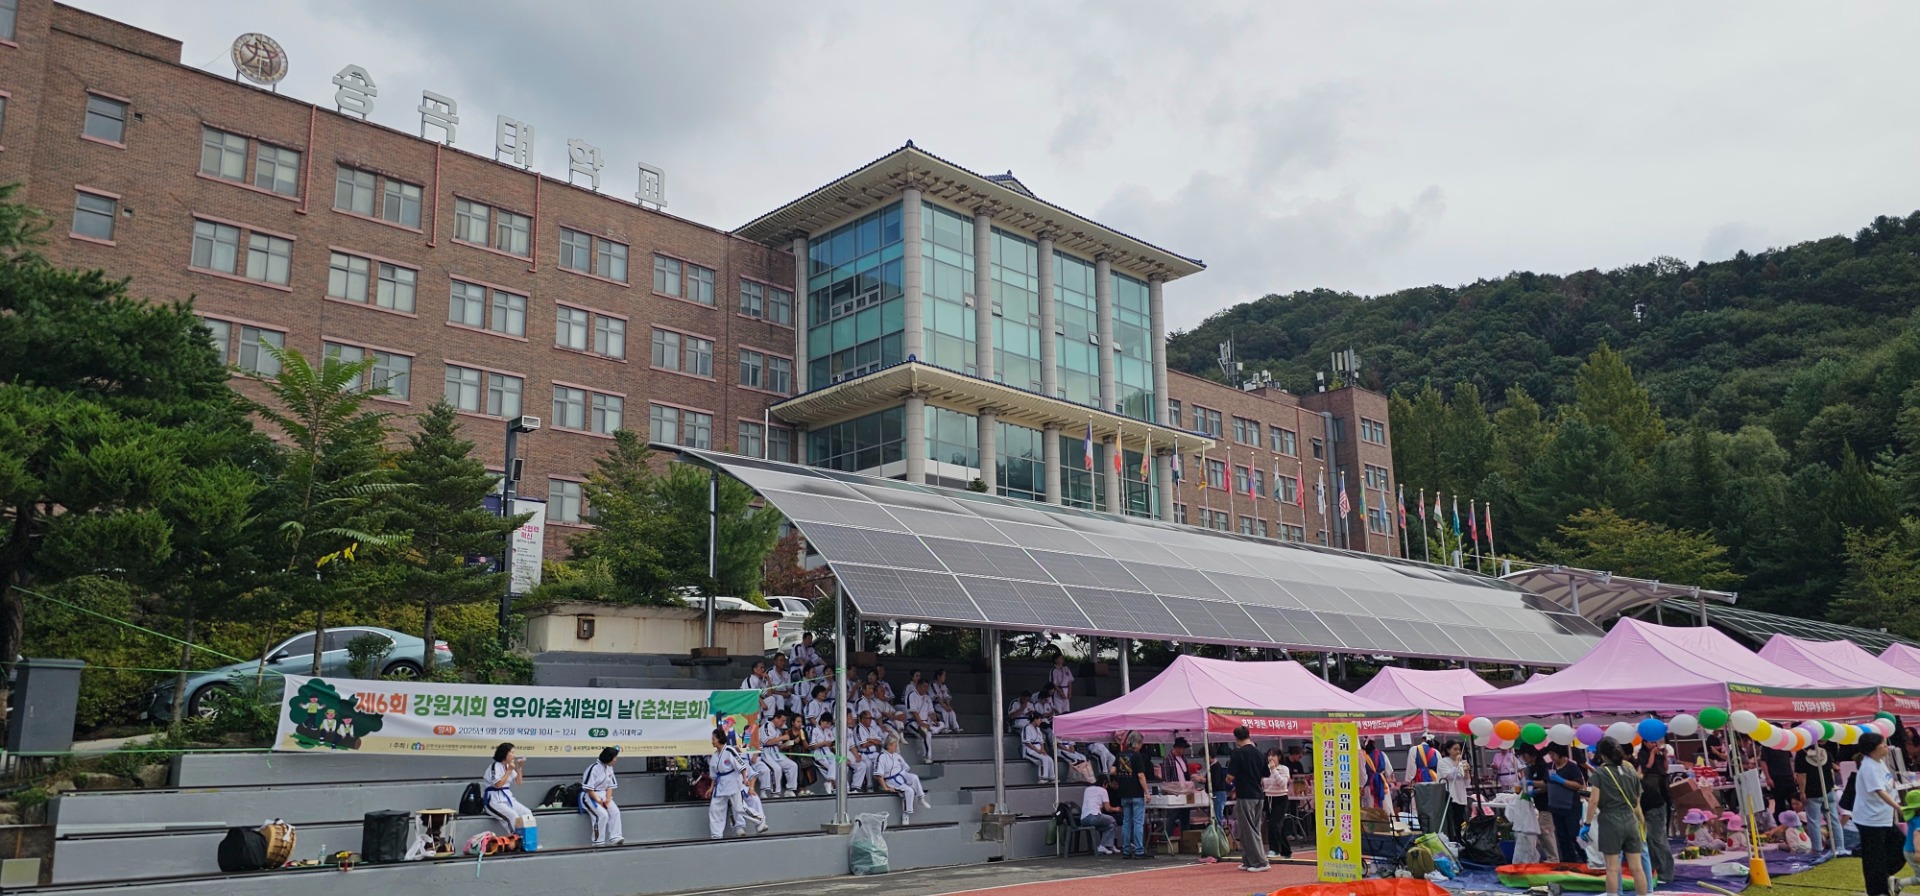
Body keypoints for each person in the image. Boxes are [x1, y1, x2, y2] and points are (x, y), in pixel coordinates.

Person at [1587, 737, 1647, 896]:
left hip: (1610, 821)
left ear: (1603, 755)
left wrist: (1587, 823)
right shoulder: (1631, 771)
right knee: (1637, 868)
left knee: (1612, 869)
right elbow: (1637, 801)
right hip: (1631, 820)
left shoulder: (1600, 772)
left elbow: (1593, 801)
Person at [1854, 732, 1903, 896]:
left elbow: (1888, 785)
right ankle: (1877, 890)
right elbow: (1880, 791)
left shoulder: (1879, 762)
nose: (1885, 746)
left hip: (1883, 817)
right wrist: (1898, 808)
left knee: (1900, 846)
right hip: (1870, 819)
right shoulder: (1869, 767)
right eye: (1882, 744)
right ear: (1873, 748)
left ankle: (1881, 878)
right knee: (1874, 856)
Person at [1226, 726, 1270, 872]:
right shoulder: (1259, 753)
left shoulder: (1237, 753)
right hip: (1258, 794)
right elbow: (1266, 773)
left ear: (1236, 738)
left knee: (1248, 830)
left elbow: (1230, 777)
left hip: (1245, 795)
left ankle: (1260, 862)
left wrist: (1229, 780)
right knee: (1252, 829)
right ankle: (1248, 861)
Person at [708, 727, 765, 839]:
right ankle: (716, 835)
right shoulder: (714, 756)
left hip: (733, 782)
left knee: (739, 808)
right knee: (714, 809)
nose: (712, 741)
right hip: (720, 786)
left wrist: (745, 779)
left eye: (713, 739)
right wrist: (711, 788)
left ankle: (759, 819)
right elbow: (714, 775)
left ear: (719, 739)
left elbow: (742, 766)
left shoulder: (730, 750)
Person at [481, 743, 538, 843]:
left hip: (507, 798)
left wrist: (519, 768)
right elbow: (498, 785)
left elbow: (518, 782)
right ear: (504, 754)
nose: (514, 755)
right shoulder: (495, 766)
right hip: (494, 800)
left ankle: (529, 841)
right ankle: (516, 842)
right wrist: (509, 770)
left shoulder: (508, 766)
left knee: (527, 813)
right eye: (511, 752)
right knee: (512, 816)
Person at [1637, 738, 1673, 883]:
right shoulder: (1642, 754)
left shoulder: (1659, 753)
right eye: (1651, 742)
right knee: (1652, 839)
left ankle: (1665, 873)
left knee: (1658, 839)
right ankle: (1656, 870)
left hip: (1658, 798)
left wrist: (1664, 756)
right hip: (1652, 789)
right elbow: (1647, 766)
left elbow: (1665, 768)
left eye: (1655, 742)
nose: (1654, 744)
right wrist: (1652, 753)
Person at [874, 734, 930, 822]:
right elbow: (878, 775)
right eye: (894, 745)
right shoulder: (882, 757)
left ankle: (921, 798)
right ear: (889, 745)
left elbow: (905, 768)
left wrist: (906, 779)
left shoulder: (896, 755)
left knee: (914, 777)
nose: (896, 747)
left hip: (901, 774)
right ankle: (906, 814)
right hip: (890, 780)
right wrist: (885, 787)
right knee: (909, 790)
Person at [1546, 745, 1588, 865]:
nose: (1551, 757)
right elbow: (1546, 783)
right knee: (1562, 837)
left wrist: (1562, 780)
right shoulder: (1550, 767)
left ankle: (1585, 859)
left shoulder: (1571, 767)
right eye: (1550, 754)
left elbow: (1580, 785)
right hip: (1555, 807)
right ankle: (1569, 862)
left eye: (1553, 754)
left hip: (1570, 807)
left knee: (1573, 836)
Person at [1113, 733, 1150, 860]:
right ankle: (1139, 850)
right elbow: (1140, 775)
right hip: (1136, 793)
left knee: (1126, 822)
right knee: (1138, 823)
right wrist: (1147, 792)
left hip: (1124, 793)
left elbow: (1112, 770)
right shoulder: (1137, 756)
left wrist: (1119, 779)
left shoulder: (1120, 755)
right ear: (1137, 743)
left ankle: (1126, 850)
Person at [1521, 743, 1558, 861]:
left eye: (1524, 755)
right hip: (1540, 804)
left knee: (1544, 830)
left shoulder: (1542, 765)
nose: (1523, 758)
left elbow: (1547, 784)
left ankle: (1553, 858)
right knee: (1545, 830)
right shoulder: (1531, 767)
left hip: (1547, 803)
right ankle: (1552, 857)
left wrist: (1533, 787)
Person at [580, 746, 624, 846]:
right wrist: (598, 801)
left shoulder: (609, 768)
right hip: (589, 796)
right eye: (614, 758)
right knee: (602, 814)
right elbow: (589, 788)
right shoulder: (593, 768)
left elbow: (610, 786)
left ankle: (616, 837)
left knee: (615, 812)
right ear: (608, 758)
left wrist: (608, 800)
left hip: (604, 795)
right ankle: (598, 841)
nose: (615, 760)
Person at [756, 709, 799, 797]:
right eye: (782, 721)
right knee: (777, 769)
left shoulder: (778, 730)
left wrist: (792, 742)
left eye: (785, 721)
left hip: (776, 753)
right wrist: (782, 738)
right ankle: (775, 793)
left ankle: (790, 790)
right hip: (766, 753)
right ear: (776, 718)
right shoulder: (767, 725)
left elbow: (780, 747)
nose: (783, 723)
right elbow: (767, 742)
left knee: (793, 765)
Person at [1263, 746, 1294, 860]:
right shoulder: (1264, 768)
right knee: (1272, 825)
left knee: (1275, 824)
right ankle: (1286, 851)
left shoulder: (1284, 769)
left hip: (1281, 798)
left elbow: (1282, 783)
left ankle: (1274, 849)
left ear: (1279, 757)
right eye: (1269, 755)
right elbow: (1262, 782)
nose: (1270, 758)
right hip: (1268, 797)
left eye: (1273, 755)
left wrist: (1274, 770)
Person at [1437, 740, 1470, 841]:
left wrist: (1466, 772)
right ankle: (1453, 839)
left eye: (1459, 749)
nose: (1458, 752)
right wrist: (1456, 763)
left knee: (1460, 821)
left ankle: (1461, 839)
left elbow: (1467, 783)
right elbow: (1449, 776)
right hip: (1450, 795)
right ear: (1448, 750)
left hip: (1461, 795)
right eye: (1455, 749)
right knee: (1452, 820)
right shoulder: (1443, 762)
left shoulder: (1462, 762)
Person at [904, 677, 943, 763]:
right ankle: (928, 757)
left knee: (942, 724)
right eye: (924, 686)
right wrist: (922, 724)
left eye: (927, 687)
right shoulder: (911, 695)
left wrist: (935, 720)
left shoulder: (927, 698)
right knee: (926, 734)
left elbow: (931, 712)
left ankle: (931, 729)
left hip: (926, 723)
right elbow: (914, 712)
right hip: (913, 722)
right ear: (918, 686)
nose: (926, 689)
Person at [1889, 790, 1920, 895]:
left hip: (1910, 850)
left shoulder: (1913, 818)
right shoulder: (1918, 820)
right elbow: (1917, 835)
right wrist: (1918, 852)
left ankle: (1897, 883)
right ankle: (1898, 883)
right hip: (1913, 851)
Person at [1080, 774, 1120, 855]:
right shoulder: (1103, 790)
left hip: (1084, 819)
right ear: (1104, 783)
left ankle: (1107, 845)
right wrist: (1116, 809)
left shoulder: (1087, 789)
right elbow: (1108, 808)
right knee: (1112, 820)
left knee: (1110, 826)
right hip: (1094, 816)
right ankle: (1105, 845)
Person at [1762, 742, 1800, 817]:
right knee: (1780, 803)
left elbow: (1789, 759)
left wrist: (1793, 773)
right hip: (1776, 778)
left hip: (1788, 776)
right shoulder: (1767, 745)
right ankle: (1780, 820)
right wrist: (1768, 778)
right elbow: (1763, 762)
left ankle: (1796, 819)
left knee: (1794, 800)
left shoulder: (1785, 743)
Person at [849, 709, 885, 791]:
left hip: (873, 753)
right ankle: (869, 786)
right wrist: (874, 741)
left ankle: (883, 784)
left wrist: (871, 740)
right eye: (868, 718)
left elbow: (880, 741)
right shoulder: (858, 728)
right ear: (862, 719)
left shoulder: (871, 729)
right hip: (863, 753)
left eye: (871, 718)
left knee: (882, 759)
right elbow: (863, 745)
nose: (870, 720)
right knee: (868, 764)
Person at [807, 713, 840, 794]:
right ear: (821, 721)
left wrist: (832, 746)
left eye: (829, 724)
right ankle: (833, 786)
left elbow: (832, 742)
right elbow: (811, 746)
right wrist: (823, 743)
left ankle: (830, 782)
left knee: (838, 763)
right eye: (826, 723)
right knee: (832, 768)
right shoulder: (814, 730)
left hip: (828, 752)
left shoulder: (828, 730)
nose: (828, 725)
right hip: (818, 754)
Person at [1021, 712, 1056, 783]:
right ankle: (1042, 778)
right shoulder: (1027, 728)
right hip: (1029, 751)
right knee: (1043, 759)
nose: (1040, 721)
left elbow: (1041, 741)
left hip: (1038, 749)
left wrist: (1042, 749)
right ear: (1035, 720)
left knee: (1049, 759)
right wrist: (1037, 750)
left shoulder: (1038, 729)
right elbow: (1027, 742)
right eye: (1039, 719)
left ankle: (1052, 777)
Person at [1363, 739, 1394, 810]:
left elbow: (1362, 774)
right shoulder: (1381, 754)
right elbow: (1389, 771)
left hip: (1369, 785)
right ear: (1374, 743)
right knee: (1386, 806)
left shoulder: (1363, 756)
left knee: (1371, 807)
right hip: (1381, 783)